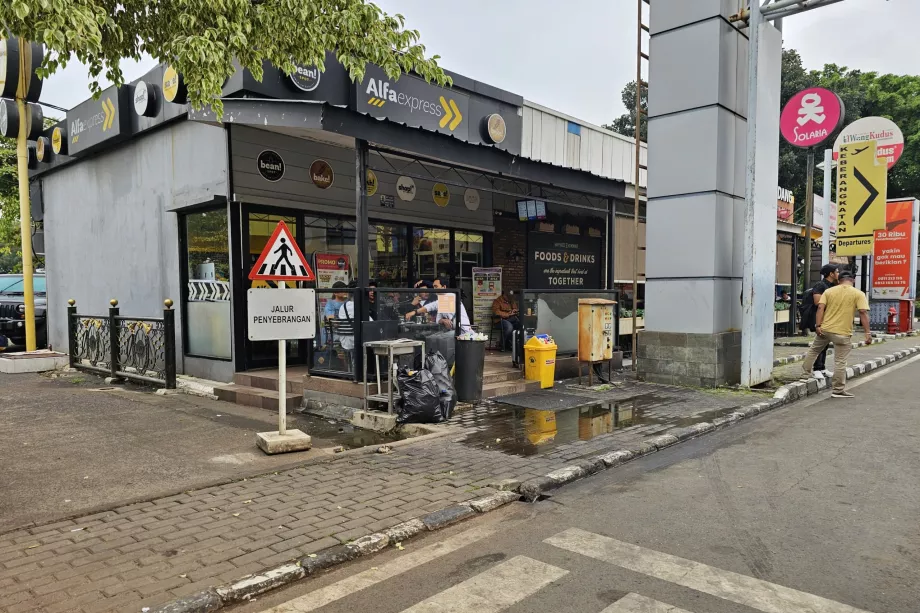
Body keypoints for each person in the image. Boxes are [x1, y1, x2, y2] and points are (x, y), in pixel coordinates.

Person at [801, 270, 870, 398]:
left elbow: (820, 308)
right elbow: (863, 312)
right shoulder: (858, 293)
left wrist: (818, 325)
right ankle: (838, 390)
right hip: (842, 333)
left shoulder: (829, 291)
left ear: (839, 280)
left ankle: (804, 376)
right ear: (853, 281)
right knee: (840, 361)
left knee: (814, 351)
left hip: (825, 330)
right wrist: (867, 333)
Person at [802, 264, 839, 373]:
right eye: (836, 271)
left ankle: (822, 367)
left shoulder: (832, 286)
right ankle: (817, 368)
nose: (838, 273)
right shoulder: (820, 285)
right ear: (831, 274)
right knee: (820, 345)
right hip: (820, 318)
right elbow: (817, 302)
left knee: (825, 344)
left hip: (828, 318)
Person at [404, 279, 471, 333]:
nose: (434, 289)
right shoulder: (441, 300)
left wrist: (414, 312)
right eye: (433, 287)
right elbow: (438, 320)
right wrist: (443, 320)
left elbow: (433, 305)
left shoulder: (450, 296)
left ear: (444, 287)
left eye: (436, 286)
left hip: (463, 332)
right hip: (454, 331)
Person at [321, 281, 348, 345]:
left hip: (349, 333)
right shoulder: (330, 304)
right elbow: (333, 321)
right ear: (335, 293)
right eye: (342, 290)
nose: (345, 291)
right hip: (337, 334)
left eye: (345, 289)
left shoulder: (349, 302)